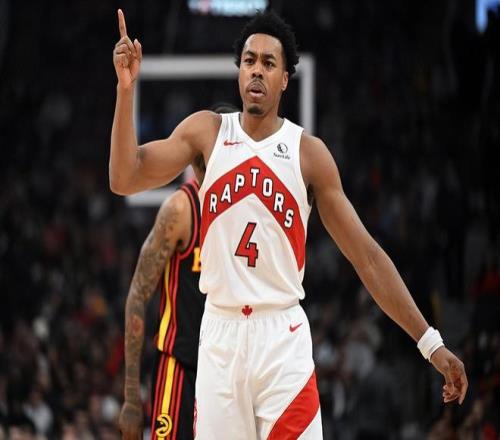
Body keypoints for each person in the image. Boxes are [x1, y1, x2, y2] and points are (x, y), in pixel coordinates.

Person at [110, 9, 468, 439]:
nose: (256, 70)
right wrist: (125, 90)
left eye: (268, 62)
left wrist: (431, 343)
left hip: (280, 338)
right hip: (220, 336)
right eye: (249, 60)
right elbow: (124, 177)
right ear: (238, 71)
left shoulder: (308, 154)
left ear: (284, 78)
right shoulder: (207, 132)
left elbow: (368, 258)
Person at [118, 104, 238, 440]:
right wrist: (131, 397)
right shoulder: (181, 208)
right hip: (180, 368)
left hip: (228, 371)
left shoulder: (248, 211)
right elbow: (137, 296)